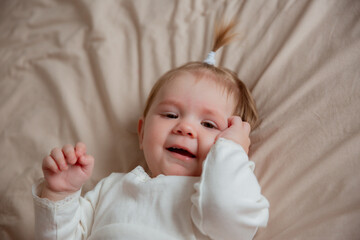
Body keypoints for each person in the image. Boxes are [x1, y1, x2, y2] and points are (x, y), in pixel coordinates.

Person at [32, 19, 269, 240]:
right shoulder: (110, 188)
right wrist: (59, 194)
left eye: (208, 124)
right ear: (142, 133)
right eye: (170, 115)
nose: (185, 127)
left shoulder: (212, 199)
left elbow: (226, 208)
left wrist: (231, 149)